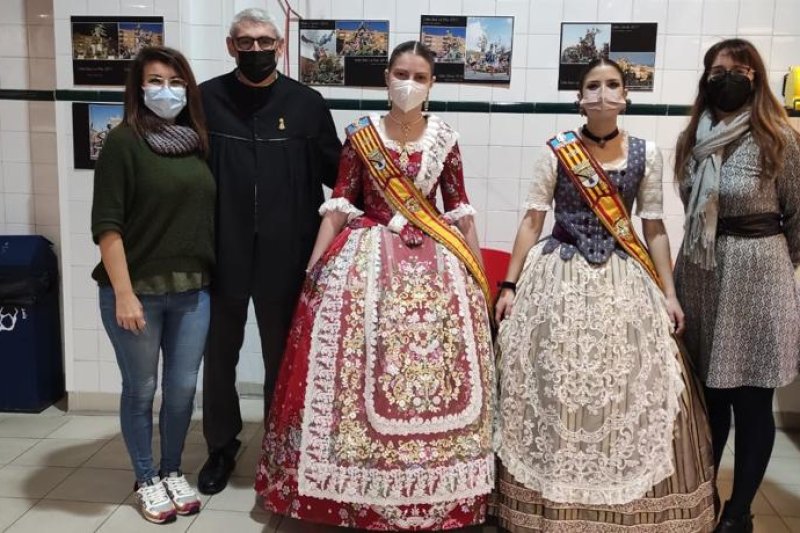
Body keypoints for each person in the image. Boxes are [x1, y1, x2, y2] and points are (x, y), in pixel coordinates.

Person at [254, 41, 495, 530]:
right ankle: (353, 486)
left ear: (432, 84)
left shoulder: (446, 139)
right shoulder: (361, 137)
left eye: (420, 76)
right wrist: (314, 269)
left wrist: (478, 278)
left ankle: (435, 485)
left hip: (436, 264)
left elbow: (459, 209)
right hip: (366, 262)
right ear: (386, 78)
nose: (409, 83)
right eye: (401, 73)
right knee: (359, 369)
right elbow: (342, 202)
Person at [492, 58, 716, 532]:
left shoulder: (646, 153)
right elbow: (532, 220)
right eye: (593, 86)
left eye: (612, 85)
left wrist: (669, 293)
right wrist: (509, 284)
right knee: (557, 381)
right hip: (561, 273)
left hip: (623, 277)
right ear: (579, 97)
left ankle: (621, 508)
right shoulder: (557, 151)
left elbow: (652, 228)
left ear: (626, 96)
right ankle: (552, 499)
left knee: (629, 382)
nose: (603, 93)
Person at [198, 8, 341, 495]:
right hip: (223, 251)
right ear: (230, 45)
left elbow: (340, 179)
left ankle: (284, 450)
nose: (255, 50)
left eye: (264, 41)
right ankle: (221, 446)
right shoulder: (207, 100)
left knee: (285, 355)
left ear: (280, 46)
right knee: (220, 356)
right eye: (246, 41)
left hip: (289, 255)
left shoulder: (307, 103)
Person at [674, 38, 800, 533]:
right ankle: (703, 495)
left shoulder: (779, 138)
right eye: (718, 69)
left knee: (750, 401)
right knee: (709, 400)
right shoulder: (693, 136)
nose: (728, 77)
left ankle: (740, 511)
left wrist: (772, 266)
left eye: (740, 69)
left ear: (756, 76)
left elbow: (798, 218)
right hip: (701, 276)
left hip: (758, 275)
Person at [90, 46, 214, 524]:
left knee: (182, 391)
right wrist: (123, 293)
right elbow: (107, 225)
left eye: (176, 81)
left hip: (193, 292)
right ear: (139, 88)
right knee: (141, 390)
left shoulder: (197, 141)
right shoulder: (124, 142)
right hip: (135, 292)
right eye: (155, 80)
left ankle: (171, 470)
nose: (167, 90)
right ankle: (145, 478)